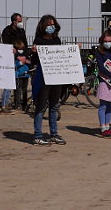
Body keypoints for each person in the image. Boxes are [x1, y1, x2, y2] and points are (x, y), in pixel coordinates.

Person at [30, 15, 66, 146]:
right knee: (41, 107)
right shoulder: (38, 40)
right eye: (48, 25)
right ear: (42, 26)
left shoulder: (56, 39)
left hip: (56, 77)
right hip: (43, 78)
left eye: (52, 24)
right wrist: (34, 52)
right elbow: (34, 61)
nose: (51, 27)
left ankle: (54, 134)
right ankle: (38, 135)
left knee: (54, 106)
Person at [95, 30, 111, 138]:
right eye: (105, 41)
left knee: (110, 105)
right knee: (103, 105)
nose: (107, 43)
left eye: (109, 41)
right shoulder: (99, 51)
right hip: (104, 80)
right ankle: (103, 128)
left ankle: (108, 126)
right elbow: (101, 66)